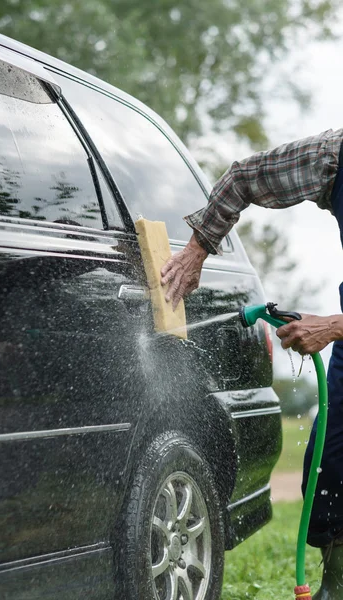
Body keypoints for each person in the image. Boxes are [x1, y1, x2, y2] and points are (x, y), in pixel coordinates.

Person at [160, 128, 343, 598]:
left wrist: (334, 327)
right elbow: (244, 178)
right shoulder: (333, 157)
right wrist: (197, 248)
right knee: (332, 461)